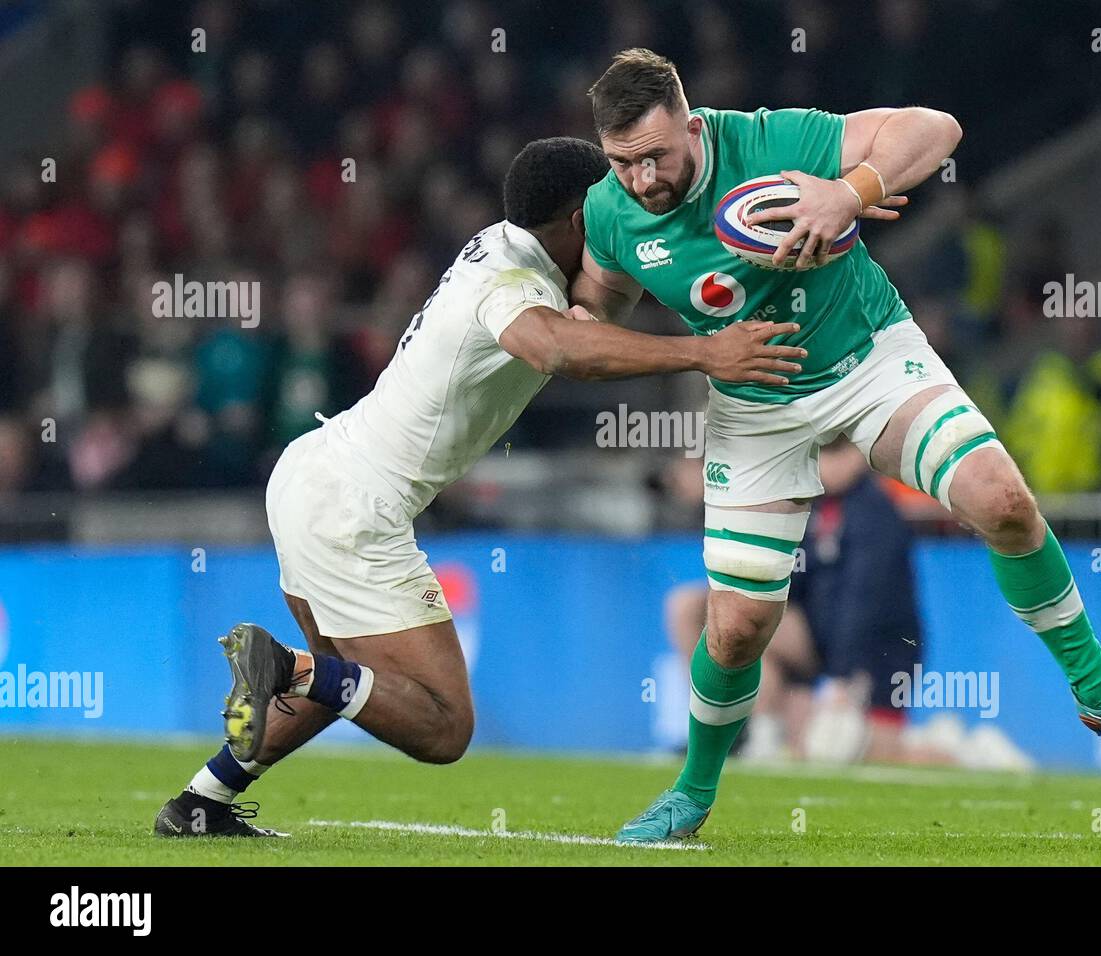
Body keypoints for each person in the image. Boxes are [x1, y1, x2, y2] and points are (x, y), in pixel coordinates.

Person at [570, 49, 1101, 844]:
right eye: (622, 162)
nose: (640, 179)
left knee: (1002, 501)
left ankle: (1098, 686)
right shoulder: (608, 211)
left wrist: (849, 193)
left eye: (655, 157)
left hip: (868, 356)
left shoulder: (771, 140)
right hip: (753, 402)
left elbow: (935, 128)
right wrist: (678, 349)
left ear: (692, 126)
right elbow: (596, 316)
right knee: (736, 628)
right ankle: (694, 793)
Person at [153, 136, 806, 837]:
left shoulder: (507, 245)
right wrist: (707, 353)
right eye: (610, 206)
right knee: (441, 723)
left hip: (315, 470)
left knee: (346, 680)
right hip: (353, 503)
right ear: (580, 219)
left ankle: (202, 801)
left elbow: (593, 308)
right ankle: (279, 663)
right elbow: (558, 347)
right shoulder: (510, 286)